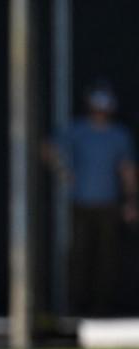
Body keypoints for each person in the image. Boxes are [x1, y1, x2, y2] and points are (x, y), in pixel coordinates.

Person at [47, 83, 138, 315]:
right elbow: (48, 148)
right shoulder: (77, 131)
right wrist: (63, 171)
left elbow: (127, 169)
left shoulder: (119, 135)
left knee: (107, 256)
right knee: (79, 253)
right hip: (81, 203)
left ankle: (102, 305)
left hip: (108, 203)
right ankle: (76, 304)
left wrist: (130, 201)